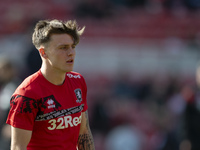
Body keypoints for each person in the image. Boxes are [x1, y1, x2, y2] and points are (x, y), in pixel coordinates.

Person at [6, 19, 95, 150]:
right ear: (43, 52)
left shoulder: (78, 81)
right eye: (63, 48)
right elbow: (18, 147)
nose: (71, 53)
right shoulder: (27, 94)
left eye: (73, 46)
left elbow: (84, 134)